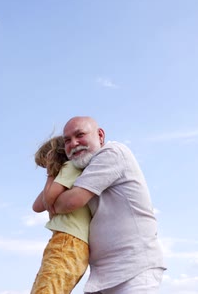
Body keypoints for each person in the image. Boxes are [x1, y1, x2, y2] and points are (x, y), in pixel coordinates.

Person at [50, 116, 165, 294]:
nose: (73, 143)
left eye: (80, 135)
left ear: (100, 135)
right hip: (102, 277)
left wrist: (55, 201)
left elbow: (71, 202)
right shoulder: (84, 171)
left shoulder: (113, 152)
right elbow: (43, 204)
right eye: (67, 141)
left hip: (134, 271)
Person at [30, 136, 92, 294]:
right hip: (67, 241)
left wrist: (52, 172)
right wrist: (53, 176)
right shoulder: (63, 177)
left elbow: (49, 198)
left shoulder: (70, 167)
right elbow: (37, 206)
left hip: (68, 241)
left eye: (46, 165)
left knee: (47, 290)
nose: (47, 171)